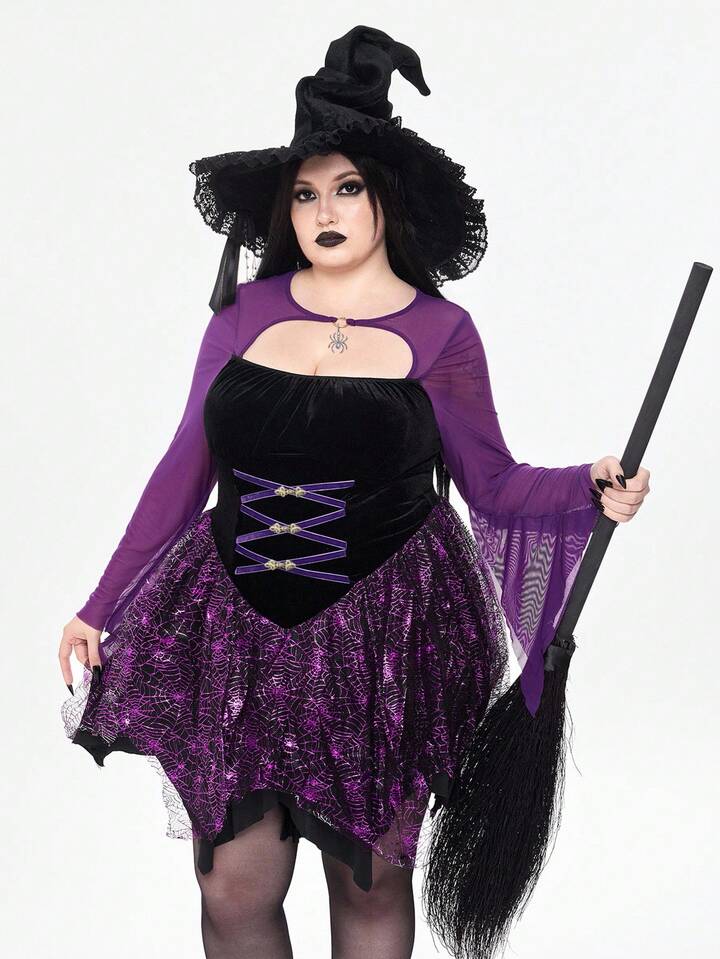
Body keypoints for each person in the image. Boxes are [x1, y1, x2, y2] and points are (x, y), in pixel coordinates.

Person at [58, 25, 650, 959]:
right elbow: (183, 468)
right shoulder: (245, 317)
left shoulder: (440, 331)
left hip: (382, 634)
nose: (323, 211)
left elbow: (492, 484)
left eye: (346, 189)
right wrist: (101, 603)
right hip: (241, 633)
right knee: (233, 884)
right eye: (305, 193)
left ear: (386, 200)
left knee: (368, 882)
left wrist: (589, 485)